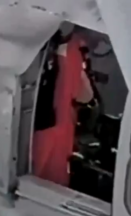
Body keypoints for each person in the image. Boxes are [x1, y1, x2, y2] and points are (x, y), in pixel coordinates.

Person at [31, 23, 94, 186]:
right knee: (54, 178)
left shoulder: (44, 47)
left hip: (40, 123)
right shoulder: (77, 52)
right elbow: (86, 96)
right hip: (62, 126)